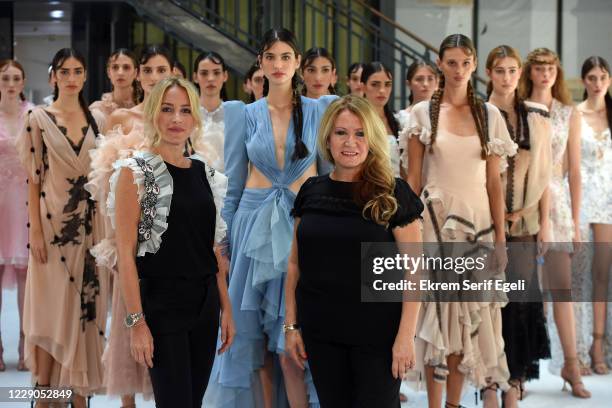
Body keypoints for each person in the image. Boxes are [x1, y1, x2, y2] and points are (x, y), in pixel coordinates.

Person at [204, 28, 337, 408]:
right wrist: (223, 245)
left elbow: (327, 176)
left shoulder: (320, 109)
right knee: (256, 341)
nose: (278, 65)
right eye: (270, 57)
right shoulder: (241, 114)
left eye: (285, 57)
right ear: (260, 63)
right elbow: (232, 183)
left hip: (302, 226)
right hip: (252, 226)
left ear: (298, 63)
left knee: (294, 341)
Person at [284, 95, 423, 407]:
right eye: (341, 133)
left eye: (360, 133)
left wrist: (405, 337)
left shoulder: (393, 193)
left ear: (372, 139)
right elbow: (294, 265)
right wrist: (291, 326)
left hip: (378, 336)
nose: (350, 143)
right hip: (322, 333)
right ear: (328, 139)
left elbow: (416, 271)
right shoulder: (311, 191)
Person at [402, 34, 515, 408]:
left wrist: (501, 238)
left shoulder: (490, 116)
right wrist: (402, 231)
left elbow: (494, 184)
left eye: (465, 63)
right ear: (439, 64)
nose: (458, 70)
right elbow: (413, 182)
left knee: (468, 320)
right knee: (438, 319)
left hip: (478, 229)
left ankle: (454, 403)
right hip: (435, 227)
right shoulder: (422, 115)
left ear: (473, 64)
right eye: (450, 62)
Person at [110, 76, 233, 408]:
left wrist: (226, 307)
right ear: (153, 114)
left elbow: (213, 248)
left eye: (184, 111)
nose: (176, 120)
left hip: (205, 304)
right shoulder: (134, 172)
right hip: (162, 304)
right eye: (167, 109)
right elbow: (124, 252)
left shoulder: (205, 173)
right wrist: (136, 322)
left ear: (194, 118)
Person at [15, 48, 108, 408]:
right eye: (64, 71)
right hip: (52, 228)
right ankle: (45, 394)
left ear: (85, 76)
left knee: (85, 308)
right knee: (51, 309)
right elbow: (33, 181)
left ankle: (79, 394)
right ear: (53, 76)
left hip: (90, 228)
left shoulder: (96, 118)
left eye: (78, 71)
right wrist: (35, 232)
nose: (71, 77)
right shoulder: (37, 118)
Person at [86, 44, 174, 407]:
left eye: (161, 70)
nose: (154, 77)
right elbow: (105, 185)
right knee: (128, 315)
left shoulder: (180, 120)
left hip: (172, 233)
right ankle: (127, 403)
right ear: (139, 75)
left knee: (167, 321)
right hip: (131, 234)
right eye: (148, 70)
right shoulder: (122, 120)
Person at [519, 47, 591, 399]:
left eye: (550, 67)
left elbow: (575, 171)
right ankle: (517, 373)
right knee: (523, 290)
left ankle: (572, 365)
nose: (545, 73)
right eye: (539, 67)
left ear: (556, 72)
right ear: (529, 72)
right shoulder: (519, 109)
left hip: (559, 204)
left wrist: (576, 223)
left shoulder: (568, 112)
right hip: (524, 200)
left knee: (562, 289)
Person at [483, 45, 553, 408]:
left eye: (512, 70)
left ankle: (513, 378)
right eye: (499, 71)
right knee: (486, 303)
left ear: (519, 73)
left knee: (520, 302)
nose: (506, 78)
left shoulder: (537, 117)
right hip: (482, 224)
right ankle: (488, 381)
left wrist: (545, 224)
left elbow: (546, 175)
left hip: (524, 223)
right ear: (489, 73)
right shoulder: (478, 114)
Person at [575, 56, 612, 375]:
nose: (597, 83)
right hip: (583, 198)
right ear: (583, 81)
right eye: (591, 77)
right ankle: (579, 348)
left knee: (603, 275)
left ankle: (599, 344)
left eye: (602, 77)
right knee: (581, 275)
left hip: (610, 201)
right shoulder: (575, 114)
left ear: (609, 80)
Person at [0, 59, 34, 372]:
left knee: (26, 278)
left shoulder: (32, 115)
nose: (11, 84)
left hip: (24, 202)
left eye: (16, 78)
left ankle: (26, 346)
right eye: (5, 78)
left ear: (23, 82)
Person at [361, 62, 401, 178]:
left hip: (396, 187)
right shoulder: (356, 120)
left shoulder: (398, 121)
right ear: (363, 86)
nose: (382, 90)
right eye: (375, 84)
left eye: (387, 84)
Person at [193, 51, 228, 171]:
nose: (211, 78)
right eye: (204, 73)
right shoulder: (186, 114)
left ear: (225, 76)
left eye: (217, 73)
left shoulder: (236, 115)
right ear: (195, 77)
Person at [89, 49, 139, 122]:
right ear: (109, 72)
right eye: (115, 67)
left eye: (126, 67)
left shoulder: (146, 108)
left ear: (135, 73)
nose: (120, 73)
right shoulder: (97, 109)